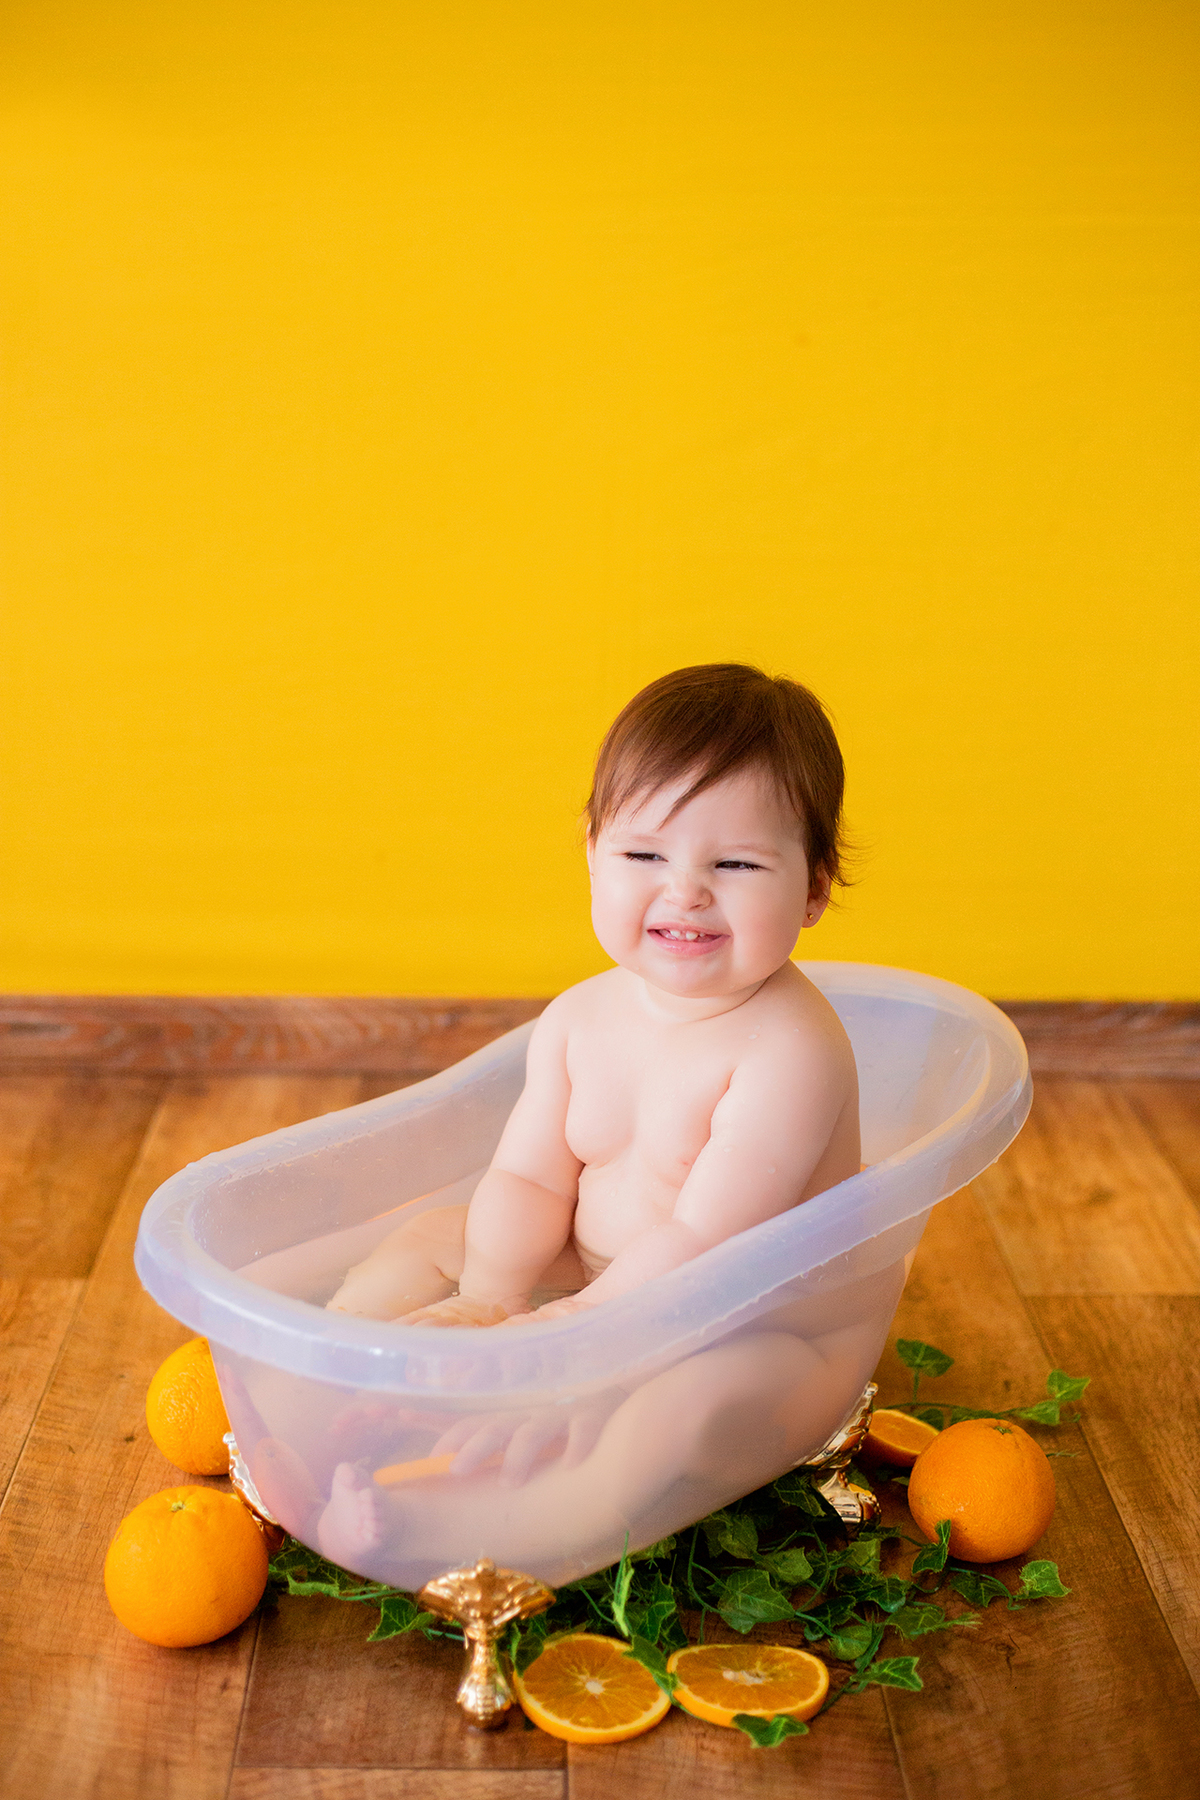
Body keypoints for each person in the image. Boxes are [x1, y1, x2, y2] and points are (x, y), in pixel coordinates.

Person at [317, 663, 879, 1575]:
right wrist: (494, 1296)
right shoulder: (580, 1018)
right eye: (644, 856)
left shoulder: (791, 1051)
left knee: (676, 1409)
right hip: (599, 1280)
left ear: (814, 891)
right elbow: (533, 1178)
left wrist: (583, 1340)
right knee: (436, 1234)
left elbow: (703, 1243)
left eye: (734, 864)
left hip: (758, 1328)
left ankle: (483, 1539)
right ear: (590, 854)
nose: (686, 891)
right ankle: (336, 1390)